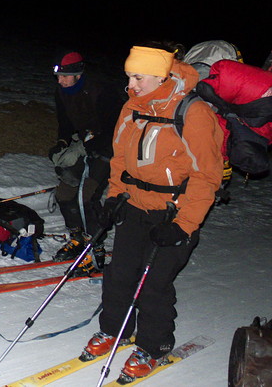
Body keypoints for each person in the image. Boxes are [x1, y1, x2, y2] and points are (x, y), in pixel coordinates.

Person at [80, 45, 223, 382]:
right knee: (119, 273)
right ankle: (115, 330)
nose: (132, 84)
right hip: (134, 206)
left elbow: (207, 176)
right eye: (129, 76)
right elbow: (119, 158)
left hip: (174, 214)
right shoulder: (132, 105)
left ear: (161, 76)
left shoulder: (194, 111)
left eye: (139, 77)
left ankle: (153, 346)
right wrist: (115, 197)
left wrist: (184, 225)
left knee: (154, 282)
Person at [48, 50, 123, 275]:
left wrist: (94, 146)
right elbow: (66, 123)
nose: (59, 80)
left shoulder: (102, 91)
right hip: (85, 144)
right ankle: (77, 238)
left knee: (86, 196)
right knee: (64, 192)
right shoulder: (62, 92)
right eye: (58, 76)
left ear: (77, 74)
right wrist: (62, 142)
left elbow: (116, 127)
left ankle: (95, 248)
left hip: (110, 147)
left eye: (64, 76)